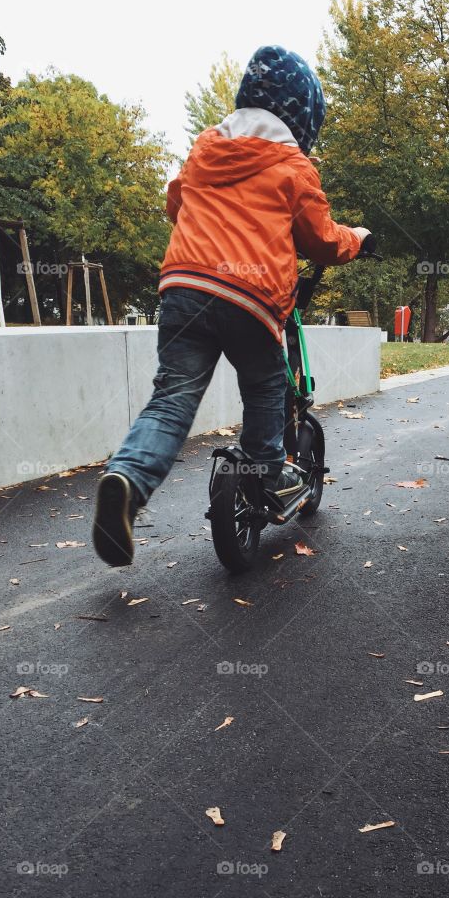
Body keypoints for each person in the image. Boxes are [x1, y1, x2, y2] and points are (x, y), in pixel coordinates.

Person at [93, 45, 369, 567]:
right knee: (266, 384)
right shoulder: (294, 166)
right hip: (251, 295)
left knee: (171, 399)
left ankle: (126, 479)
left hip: (183, 288)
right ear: (302, 117)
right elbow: (322, 242)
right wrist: (358, 237)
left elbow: (176, 202)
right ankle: (267, 469)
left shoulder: (205, 147)